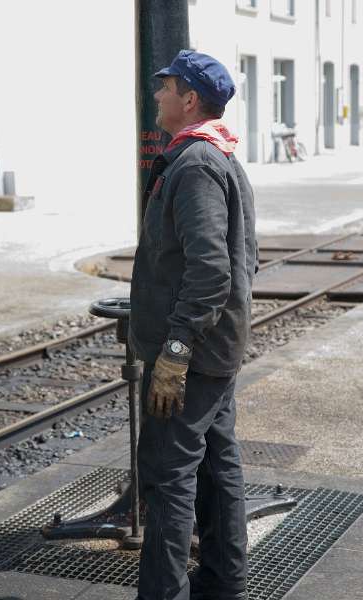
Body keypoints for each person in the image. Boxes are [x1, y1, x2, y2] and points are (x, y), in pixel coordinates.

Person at [129, 49, 258, 600]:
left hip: (193, 354)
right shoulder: (217, 157)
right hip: (217, 349)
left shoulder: (196, 164)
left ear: (188, 99)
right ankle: (223, 585)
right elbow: (243, 258)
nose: (156, 95)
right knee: (218, 467)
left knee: (168, 475)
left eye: (165, 87)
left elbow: (212, 270)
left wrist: (176, 351)